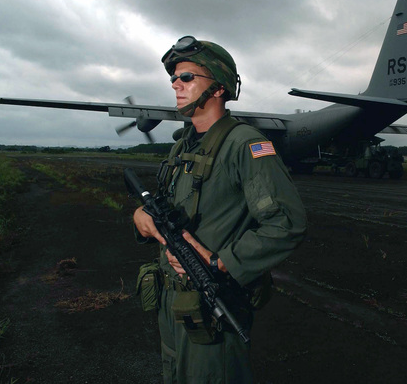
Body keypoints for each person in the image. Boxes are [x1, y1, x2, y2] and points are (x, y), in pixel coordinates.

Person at [132, 36, 307, 383]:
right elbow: (160, 208)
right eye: (173, 78)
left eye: (187, 78)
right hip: (173, 304)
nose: (175, 85)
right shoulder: (183, 145)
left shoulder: (244, 144)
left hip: (210, 306)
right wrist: (141, 219)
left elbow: (286, 223)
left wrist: (220, 261)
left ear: (219, 87)